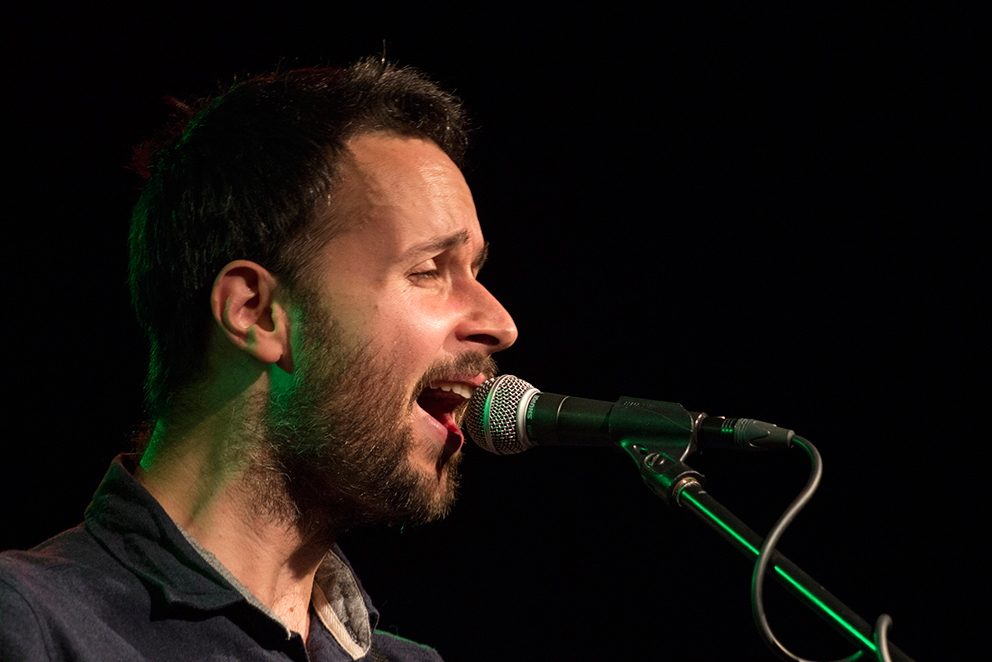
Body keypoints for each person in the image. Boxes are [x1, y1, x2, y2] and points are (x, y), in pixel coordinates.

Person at [0, 58, 517, 661]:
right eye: (429, 270)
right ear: (255, 312)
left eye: (475, 270)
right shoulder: (32, 624)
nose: (500, 324)